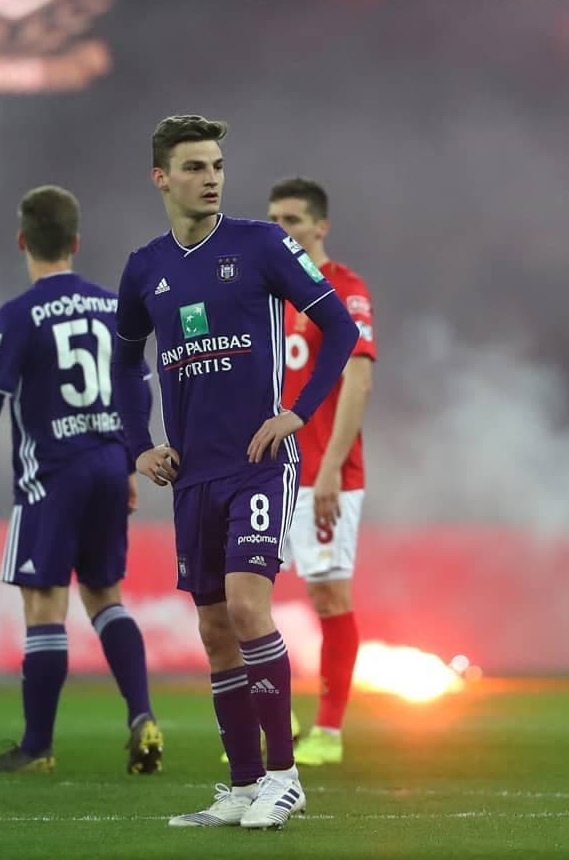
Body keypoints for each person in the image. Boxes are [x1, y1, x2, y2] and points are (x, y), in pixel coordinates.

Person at [111, 115, 358, 830]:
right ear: (162, 177)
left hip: (256, 465)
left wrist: (299, 414)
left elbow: (339, 327)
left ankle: (285, 777)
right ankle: (245, 785)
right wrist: (139, 443)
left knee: (251, 610)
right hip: (190, 477)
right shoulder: (144, 267)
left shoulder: (260, 244)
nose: (211, 177)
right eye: (194, 166)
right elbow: (126, 368)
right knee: (216, 632)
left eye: (217, 164)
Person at [0, 186, 162, 774]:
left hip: (53, 476)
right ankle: (142, 715)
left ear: (22, 242)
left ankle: (36, 747)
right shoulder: (114, 308)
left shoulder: (18, 315)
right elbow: (139, 386)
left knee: (45, 604)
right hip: (111, 465)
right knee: (106, 597)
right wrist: (129, 457)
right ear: (76, 242)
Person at [267, 177, 376, 767]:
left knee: (328, 595)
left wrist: (332, 467)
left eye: (290, 221)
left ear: (319, 227)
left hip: (323, 473)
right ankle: (276, 714)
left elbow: (358, 378)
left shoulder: (344, 290)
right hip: (265, 470)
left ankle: (328, 732)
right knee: (242, 595)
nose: (279, 231)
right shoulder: (267, 295)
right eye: (272, 220)